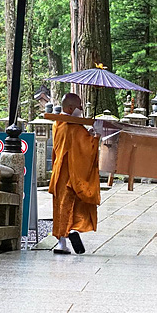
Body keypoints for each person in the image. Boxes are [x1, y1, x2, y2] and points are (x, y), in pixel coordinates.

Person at [49, 93, 101, 254]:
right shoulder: (73, 126)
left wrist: (87, 131)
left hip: (58, 172)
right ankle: (70, 231)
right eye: (79, 107)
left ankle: (62, 243)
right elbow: (86, 149)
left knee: (61, 206)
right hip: (73, 172)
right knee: (75, 204)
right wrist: (95, 135)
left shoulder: (58, 122)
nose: (81, 110)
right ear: (71, 108)